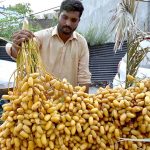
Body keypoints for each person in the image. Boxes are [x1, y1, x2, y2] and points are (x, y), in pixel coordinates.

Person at [5, 0, 91, 93]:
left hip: (67, 103)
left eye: (73, 20)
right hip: (43, 100)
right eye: (64, 17)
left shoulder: (81, 42)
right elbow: (22, 52)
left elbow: (84, 77)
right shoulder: (41, 36)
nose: (68, 23)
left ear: (78, 21)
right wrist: (16, 47)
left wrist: (83, 102)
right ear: (58, 15)